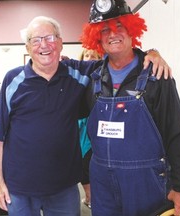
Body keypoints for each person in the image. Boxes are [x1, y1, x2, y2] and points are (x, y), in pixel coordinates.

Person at [0, 16, 171, 216]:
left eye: (50, 38)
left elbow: (120, 58)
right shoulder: (13, 80)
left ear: (60, 43)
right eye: (36, 40)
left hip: (64, 188)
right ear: (27, 47)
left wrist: (151, 53)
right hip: (19, 188)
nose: (44, 45)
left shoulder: (80, 73)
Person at [80, 1, 180, 216]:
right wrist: (85, 177)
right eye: (104, 30)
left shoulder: (157, 75)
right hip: (102, 182)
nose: (113, 34)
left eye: (120, 26)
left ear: (132, 29)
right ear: (96, 37)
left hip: (146, 182)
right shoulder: (93, 77)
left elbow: (176, 132)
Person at [78, 48, 102, 209]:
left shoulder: (103, 76)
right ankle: (89, 197)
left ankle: (92, 198)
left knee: (90, 166)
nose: (89, 58)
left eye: (94, 56)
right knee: (82, 166)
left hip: (96, 127)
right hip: (79, 127)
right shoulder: (77, 75)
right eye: (86, 55)